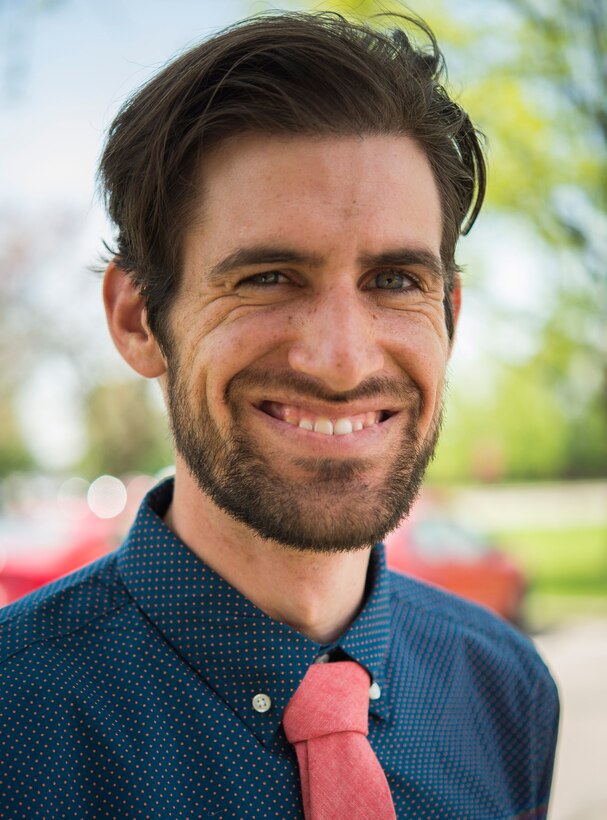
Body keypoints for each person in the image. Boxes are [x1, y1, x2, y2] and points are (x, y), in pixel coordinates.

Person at [0, 11, 558, 819]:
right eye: (267, 277)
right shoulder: (18, 724)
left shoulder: (506, 689)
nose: (343, 359)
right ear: (137, 320)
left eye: (396, 280)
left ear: (450, 315)